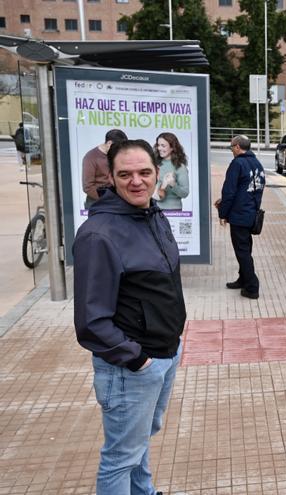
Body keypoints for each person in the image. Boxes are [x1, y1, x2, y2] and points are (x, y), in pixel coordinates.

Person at [73, 139, 187, 495]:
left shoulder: (152, 216)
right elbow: (92, 322)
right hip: (131, 366)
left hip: (164, 354)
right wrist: (139, 361)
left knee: (138, 443)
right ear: (112, 176)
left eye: (144, 172)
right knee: (120, 457)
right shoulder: (99, 234)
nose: (136, 181)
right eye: (125, 174)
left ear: (157, 173)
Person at [216, 135, 265, 300]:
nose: (231, 151)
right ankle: (243, 279)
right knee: (246, 249)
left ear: (237, 147)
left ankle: (252, 287)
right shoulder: (257, 163)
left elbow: (229, 191)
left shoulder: (237, 163)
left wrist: (223, 213)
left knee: (242, 252)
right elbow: (254, 190)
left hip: (239, 216)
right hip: (251, 213)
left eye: (231, 147)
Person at [82, 129, 129, 209]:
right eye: (117, 147)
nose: (119, 150)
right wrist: (107, 199)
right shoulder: (90, 157)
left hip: (117, 200)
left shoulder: (117, 155)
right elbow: (88, 187)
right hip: (97, 203)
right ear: (109, 143)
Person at [154, 132, 190, 210]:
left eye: (163, 146)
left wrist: (173, 184)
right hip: (154, 209)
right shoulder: (154, 164)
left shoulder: (180, 167)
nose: (159, 148)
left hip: (173, 210)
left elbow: (185, 193)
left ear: (172, 148)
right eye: (158, 145)